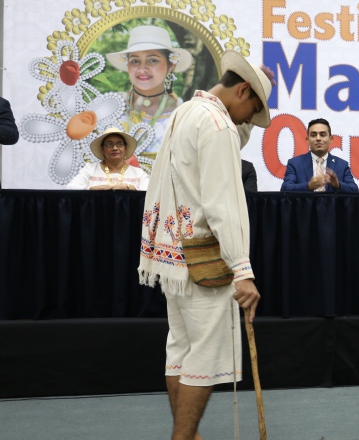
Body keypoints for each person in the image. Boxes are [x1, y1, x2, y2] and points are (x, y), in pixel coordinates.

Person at [138, 50, 273, 440]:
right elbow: (223, 203)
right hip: (203, 258)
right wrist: (242, 269)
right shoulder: (217, 125)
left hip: (171, 255)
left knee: (181, 347)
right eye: (254, 109)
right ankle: (183, 438)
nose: (250, 119)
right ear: (243, 89)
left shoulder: (187, 112)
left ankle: (187, 436)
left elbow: (233, 131)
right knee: (206, 352)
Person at [106, 25, 194, 155]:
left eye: (152, 60)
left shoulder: (184, 114)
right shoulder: (110, 107)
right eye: (135, 61)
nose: (142, 69)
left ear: (170, 66)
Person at [280, 118, 359, 192]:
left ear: (330, 139)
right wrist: (308, 186)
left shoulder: (342, 165)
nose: (318, 138)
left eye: (323, 135)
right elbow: (285, 188)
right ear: (307, 140)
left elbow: (354, 190)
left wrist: (338, 185)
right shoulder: (295, 163)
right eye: (313, 135)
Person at [66, 127, 149, 190]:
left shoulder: (138, 173)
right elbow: (70, 187)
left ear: (125, 148)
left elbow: (151, 192)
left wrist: (131, 188)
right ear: (102, 149)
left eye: (119, 144)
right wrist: (92, 188)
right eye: (109, 144)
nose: (115, 148)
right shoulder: (90, 169)